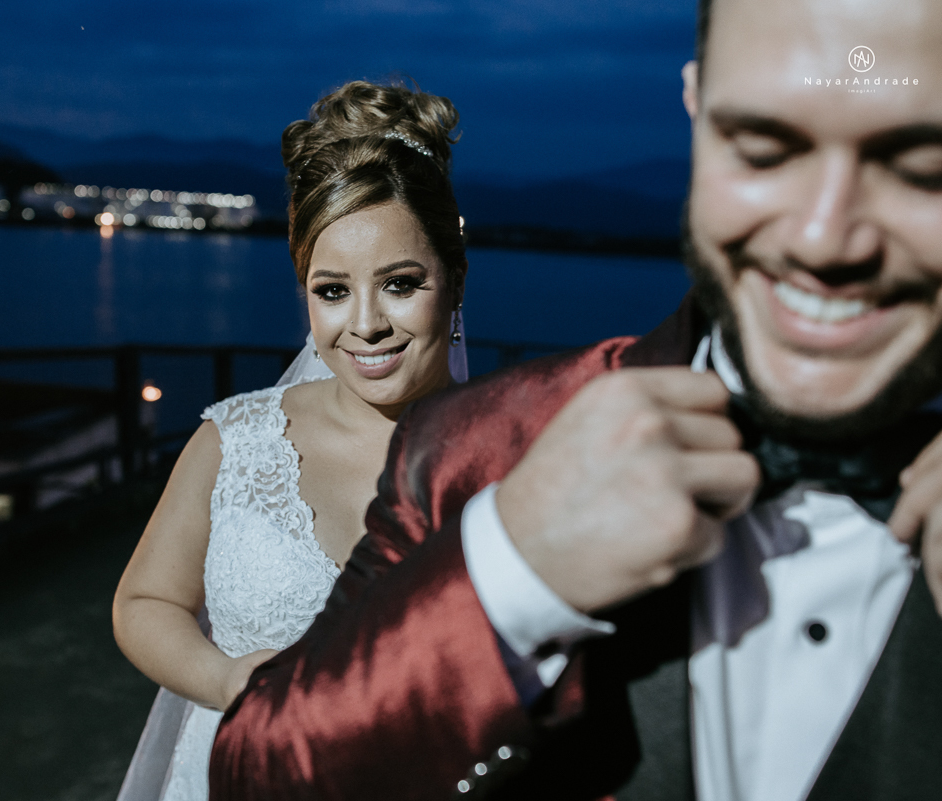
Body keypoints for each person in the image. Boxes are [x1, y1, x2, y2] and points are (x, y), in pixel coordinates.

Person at [210, 0, 942, 799]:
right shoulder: (470, 448)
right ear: (698, 109)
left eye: (925, 166)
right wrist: (515, 568)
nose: (825, 238)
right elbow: (257, 778)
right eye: (765, 148)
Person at [110, 80, 470, 801]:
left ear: (455, 279)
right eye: (332, 290)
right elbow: (143, 602)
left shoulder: (505, 454)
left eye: (400, 284)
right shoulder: (233, 440)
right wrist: (227, 678)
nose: (365, 323)